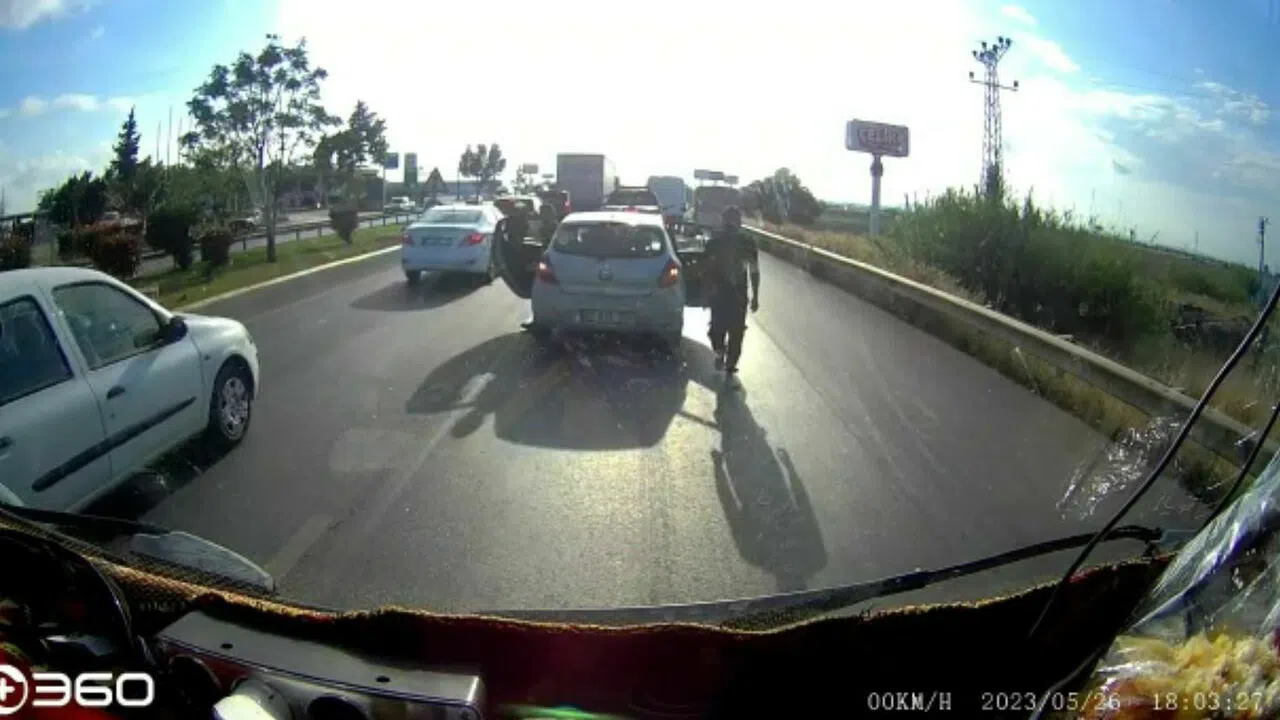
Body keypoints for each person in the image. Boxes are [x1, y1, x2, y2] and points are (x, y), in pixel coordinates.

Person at [703, 206, 760, 375]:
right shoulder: (746, 242)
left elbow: (706, 270)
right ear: (739, 222)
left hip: (721, 293)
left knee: (718, 329)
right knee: (735, 331)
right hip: (735, 294)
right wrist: (755, 296)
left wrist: (705, 293)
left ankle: (722, 354)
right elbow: (754, 271)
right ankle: (729, 361)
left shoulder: (715, 241)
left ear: (723, 221)